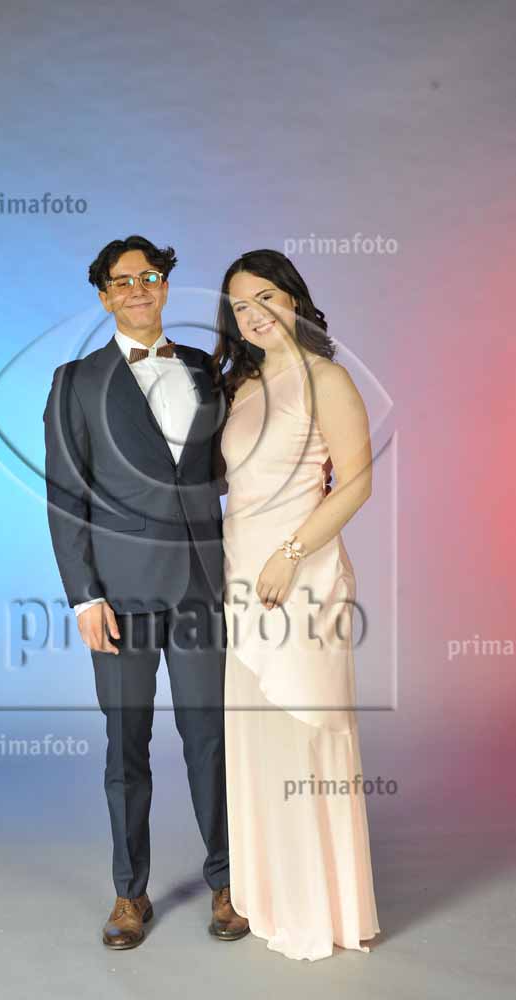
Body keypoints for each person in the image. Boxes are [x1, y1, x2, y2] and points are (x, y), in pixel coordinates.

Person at [43, 235, 249, 950]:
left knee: (210, 739)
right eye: (123, 280)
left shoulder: (203, 368)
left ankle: (227, 882)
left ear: (164, 286)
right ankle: (129, 893)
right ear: (104, 296)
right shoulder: (76, 381)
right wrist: (83, 597)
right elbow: (66, 495)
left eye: (150, 276)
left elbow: (232, 461)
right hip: (119, 596)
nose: (138, 288)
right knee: (125, 744)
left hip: (200, 586)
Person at [210, 248, 381, 961]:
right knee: (260, 737)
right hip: (241, 576)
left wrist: (288, 553)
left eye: (265, 298)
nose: (253, 315)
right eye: (239, 306)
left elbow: (356, 483)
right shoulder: (243, 386)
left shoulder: (326, 378)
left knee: (306, 729)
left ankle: (322, 905)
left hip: (300, 576)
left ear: (294, 300)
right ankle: (275, 894)